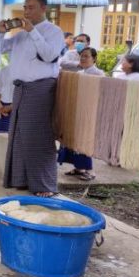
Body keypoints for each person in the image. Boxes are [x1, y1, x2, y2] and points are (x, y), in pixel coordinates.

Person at [0, 0, 66, 198]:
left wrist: (32, 32)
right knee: (20, 136)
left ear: (43, 9)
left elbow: (50, 55)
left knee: (38, 136)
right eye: (25, 7)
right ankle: (21, 179)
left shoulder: (53, 31)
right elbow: (0, 48)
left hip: (40, 89)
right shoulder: (19, 34)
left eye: (31, 8)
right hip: (21, 89)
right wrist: (0, 32)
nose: (27, 11)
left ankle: (45, 184)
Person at [58, 47, 104, 181]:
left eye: (86, 56)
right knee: (75, 140)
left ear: (94, 59)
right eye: (81, 56)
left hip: (89, 112)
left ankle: (90, 170)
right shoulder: (80, 72)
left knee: (85, 141)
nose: (83, 58)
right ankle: (78, 168)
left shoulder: (98, 73)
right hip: (77, 110)